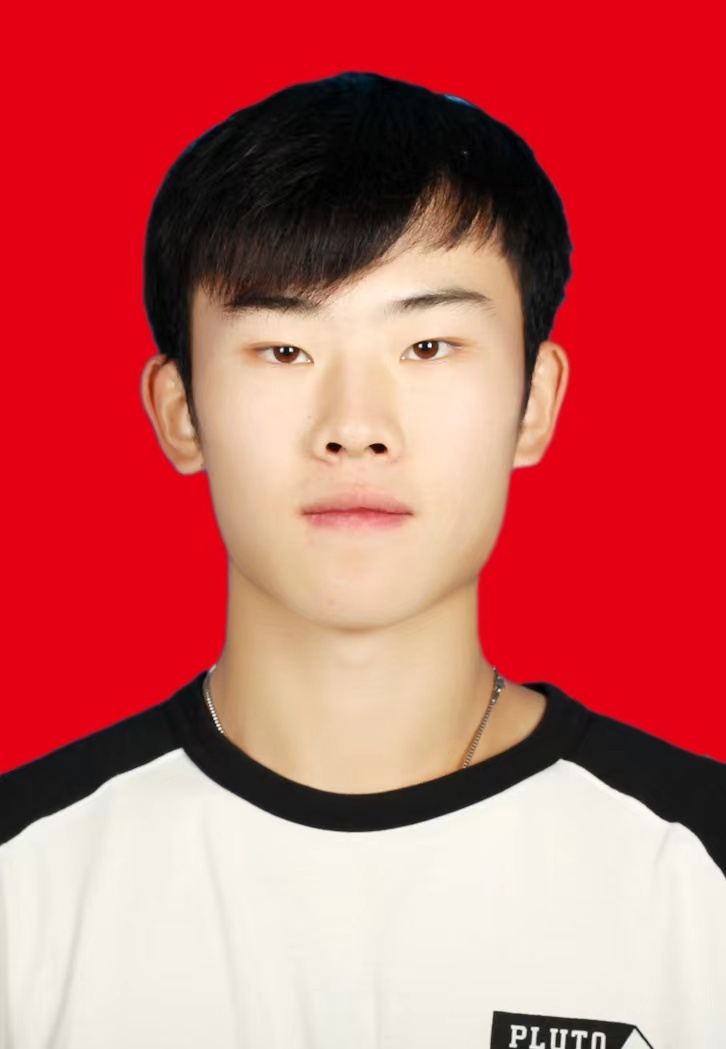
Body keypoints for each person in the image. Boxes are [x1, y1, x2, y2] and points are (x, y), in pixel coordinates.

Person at [1, 71, 724, 1049]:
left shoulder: (696, 873)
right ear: (180, 411)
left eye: (428, 346)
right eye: (283, 351)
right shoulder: (26, 885)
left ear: (534, 401)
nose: (354, 426)